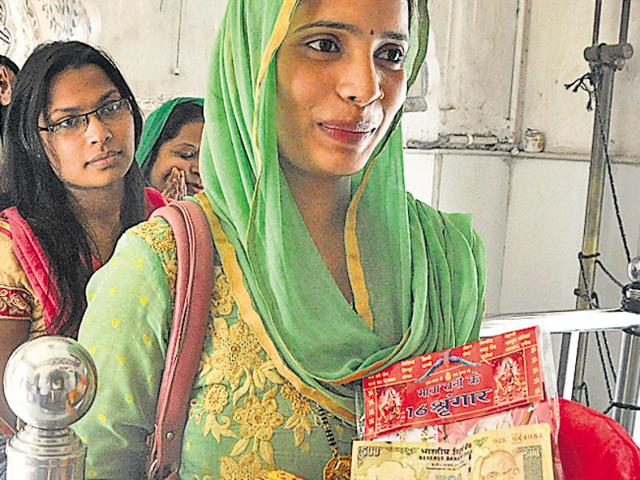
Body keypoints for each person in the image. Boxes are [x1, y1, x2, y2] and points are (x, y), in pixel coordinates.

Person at [74, 0, 486, 478]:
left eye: (391, 54)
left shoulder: (443, 261)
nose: (366, 87)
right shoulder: (164, 265)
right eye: (325, 45)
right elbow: (96, 463)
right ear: (253, 61)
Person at [0, 41, 167, 429]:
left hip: (159, 442)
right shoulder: (13, 248)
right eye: (69, 121)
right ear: (34, 139)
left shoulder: (166, 223)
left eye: (111, 107)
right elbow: (4, 408)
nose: (100, 133)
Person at [136, 97, 205, 199]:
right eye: (186, 154)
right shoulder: (115, 207)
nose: (200, 169)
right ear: (151, 153)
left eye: (212, 162)